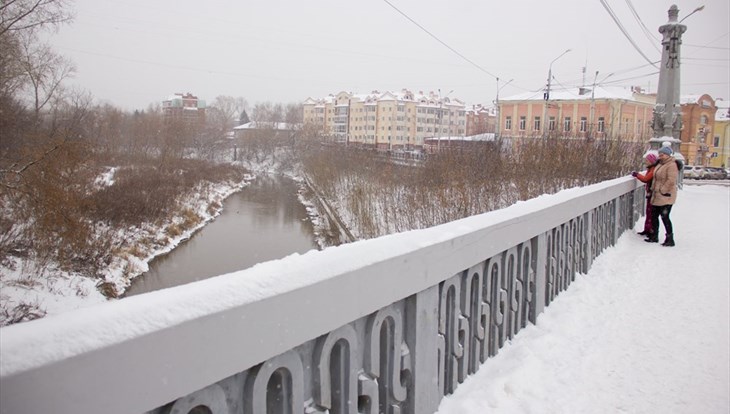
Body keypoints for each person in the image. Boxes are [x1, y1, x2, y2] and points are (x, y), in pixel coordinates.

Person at [645, 146, 678, 246]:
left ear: (668, 155)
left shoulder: (671, 165)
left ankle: (670, 239)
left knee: (665, 217)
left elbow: (671, 180)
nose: (660, 156)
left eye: (662, 154)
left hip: (666, 196)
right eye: (659, 154)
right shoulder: (660, 164)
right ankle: (654, 236)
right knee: (654, 216)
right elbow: (655, 178)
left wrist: (662, 190)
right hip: (656, 195)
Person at [631, 151, 658, 236]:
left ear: (651, 161)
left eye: (647, 160)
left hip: (652, 193)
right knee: (649, 212)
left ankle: (650, 230)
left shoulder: (653, 169)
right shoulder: (651, 168)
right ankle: (647, 229)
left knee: (651, 213)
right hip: (650, 193)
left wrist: (637, 175)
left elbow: (646, 179)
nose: (646, 162)